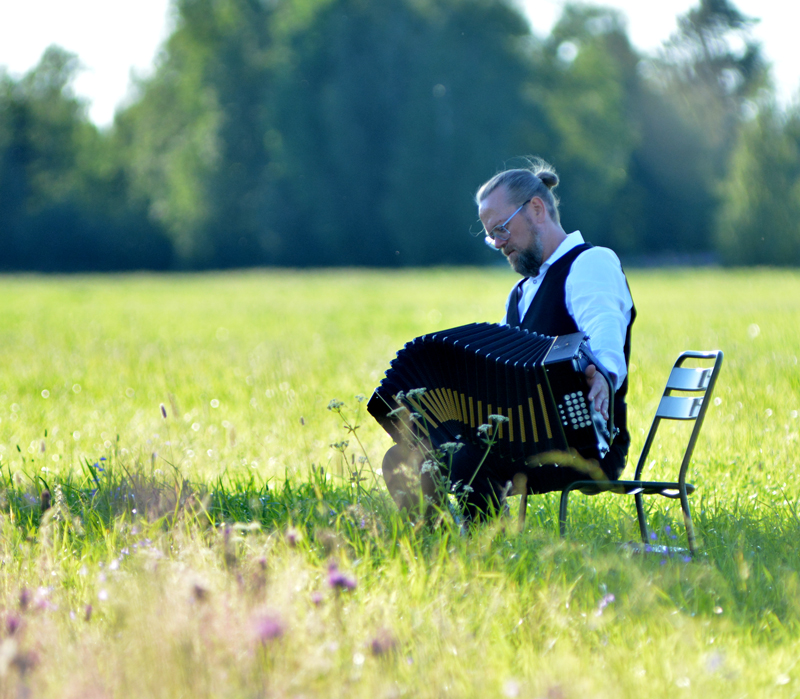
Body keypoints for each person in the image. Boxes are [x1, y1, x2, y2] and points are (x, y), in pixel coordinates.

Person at [381, 158, 635, 522]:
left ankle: (489, 550)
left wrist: (603, 375)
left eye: (502, 228)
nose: (499, 243)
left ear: (536, 209)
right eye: (491, 235)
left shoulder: (590, 264)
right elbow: (495, 371)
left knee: (470, 458)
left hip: (585, 445)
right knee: (404, 457)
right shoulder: (519, 294)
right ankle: (439, 547)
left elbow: (606, 339)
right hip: (521, 439)